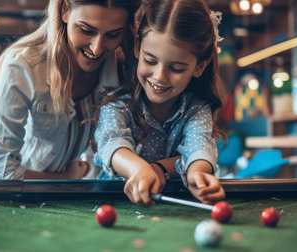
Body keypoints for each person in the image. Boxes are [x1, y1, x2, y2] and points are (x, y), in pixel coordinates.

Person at [0, 0, 140, 179]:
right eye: (87, 30)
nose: (97, 48)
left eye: (112, 35)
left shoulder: (123, 68)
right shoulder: (22, 67)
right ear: (64, 10)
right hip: (15, 195)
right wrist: (68, 178)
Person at [93, 0, 227, 205]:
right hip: (113, 202)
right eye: (151, 60)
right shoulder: (117, 103)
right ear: (138, 47)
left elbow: (198, 147)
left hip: (173, 208)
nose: (160, 76)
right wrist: (139, 169)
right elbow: (112, 144)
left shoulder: (197, 108)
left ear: (199, 67)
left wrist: (198, 174)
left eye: (177, 68)